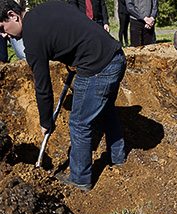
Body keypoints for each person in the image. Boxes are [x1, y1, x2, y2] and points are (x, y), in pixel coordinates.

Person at [0, 0, 127, 191]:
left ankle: (80, 179)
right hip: (116, 56)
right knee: (106, 109)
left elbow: (43, 87)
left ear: (12, 15)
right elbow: (73, 29)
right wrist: (73, 57)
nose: (3, 35)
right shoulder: (46, 8)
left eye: (2, 28)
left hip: (98, 67)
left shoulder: (32, 38)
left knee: (79, 123)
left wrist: (45, 122)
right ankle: (118, 157)